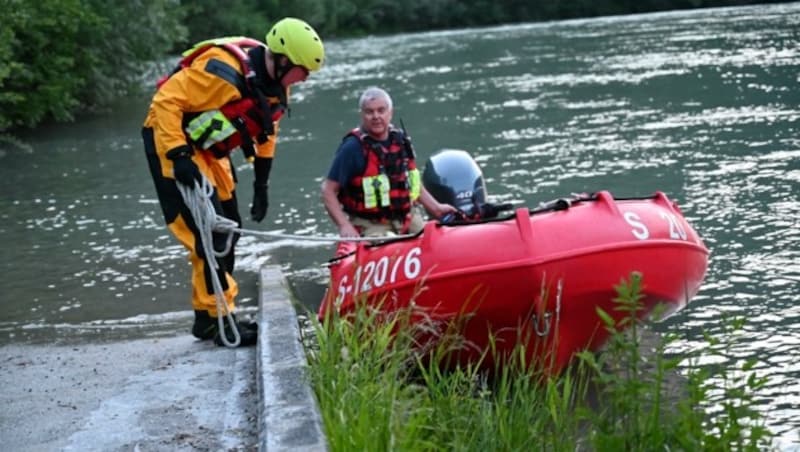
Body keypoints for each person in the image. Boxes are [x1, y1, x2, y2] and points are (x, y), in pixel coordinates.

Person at [142, 18, 324, 346]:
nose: (306, 78)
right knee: (207, 234)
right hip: (170, 139)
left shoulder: (274, 84)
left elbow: (267, 128)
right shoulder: (222, 73)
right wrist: (179, 156)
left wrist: (262, 184)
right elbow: (165, 101)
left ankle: (206, 317)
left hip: (207, 149)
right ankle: (220, 320)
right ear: (283, 60)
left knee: (229, 229)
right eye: (303, 71)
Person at [321, 87, 456, 238]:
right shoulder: (352, 148)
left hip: (407, 218)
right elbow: (328, 190)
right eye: (369, 112)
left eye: (381, 110)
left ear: (390, 113)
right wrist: (344, 225)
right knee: (386, 242)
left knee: (432, 240)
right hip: (372, 224)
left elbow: (412, 183)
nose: (376, 116)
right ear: (362, 115)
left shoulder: (401, 141)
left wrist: (436, 208)